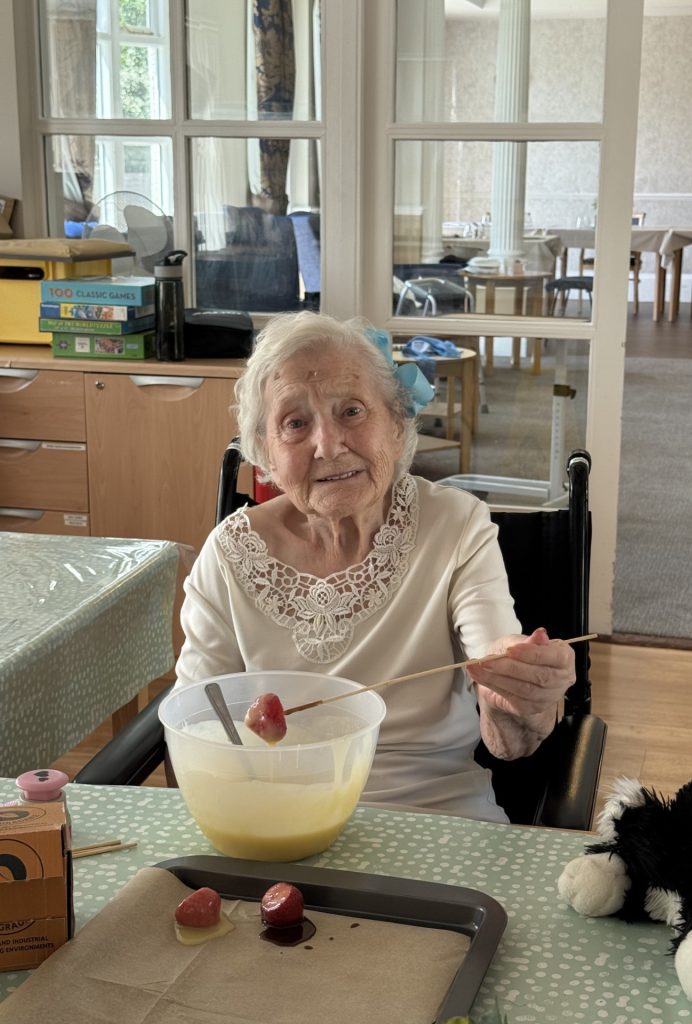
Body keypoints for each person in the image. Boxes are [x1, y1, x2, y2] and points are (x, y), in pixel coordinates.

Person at [175, 311, 575, 823]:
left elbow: (504, 719)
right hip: (273, 820)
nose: (328, 444)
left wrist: (517, 695)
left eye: (352, 411)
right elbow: (197, 727)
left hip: (431, 814)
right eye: (295, 423)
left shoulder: (456, 525)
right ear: (266, 455)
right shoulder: (229, 554)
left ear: (395, 423)